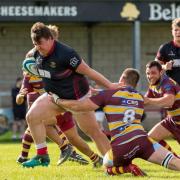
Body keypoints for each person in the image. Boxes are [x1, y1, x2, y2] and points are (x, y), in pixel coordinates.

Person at [52, 68, 180, 176]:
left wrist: (58, 100)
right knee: (173, 161)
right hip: (143, 141)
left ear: (121, 80)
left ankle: (127, 168)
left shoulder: (108, 95)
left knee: (106, 165)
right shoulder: (140, 97)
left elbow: (79, 107)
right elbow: (123, 96)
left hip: (122, 146)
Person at [22, 22, 112, 168]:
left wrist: (110, 85)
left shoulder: (67, 53)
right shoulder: (34, 54)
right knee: (32, 117)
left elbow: (89, 71)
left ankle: (114, 162)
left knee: (93, 132)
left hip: (78, 99)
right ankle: (42, 155)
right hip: (54, 97)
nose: (38, 47)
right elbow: (30, 67)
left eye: (40, 44)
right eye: (35, 44)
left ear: (51, 39)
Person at [16, 25, 89, 166]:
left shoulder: (59, 55)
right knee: (38, 122)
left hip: (57, 98)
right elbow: (27, 75)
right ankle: (57, 150)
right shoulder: (34, 57)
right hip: (42, 99)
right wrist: (22, 93)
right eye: (37, 45)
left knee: (66, 132)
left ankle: (86, 155)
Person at [144, 60, 180, 156]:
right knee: (150, 138)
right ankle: (176, 160)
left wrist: (148, 101)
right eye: (147, 73)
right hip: (172, 121)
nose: (150, 76)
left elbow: (169, 101)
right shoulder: (153, 85)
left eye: (153, 73)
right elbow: (143, 101)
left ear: (161, 72)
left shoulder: (167, 84)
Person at [155, 18, 180, 85]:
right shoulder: (165, 47)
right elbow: (155, 66)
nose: (178, 32)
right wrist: (164, 67)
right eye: (176, 30)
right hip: (171, 88)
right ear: (172, 31)